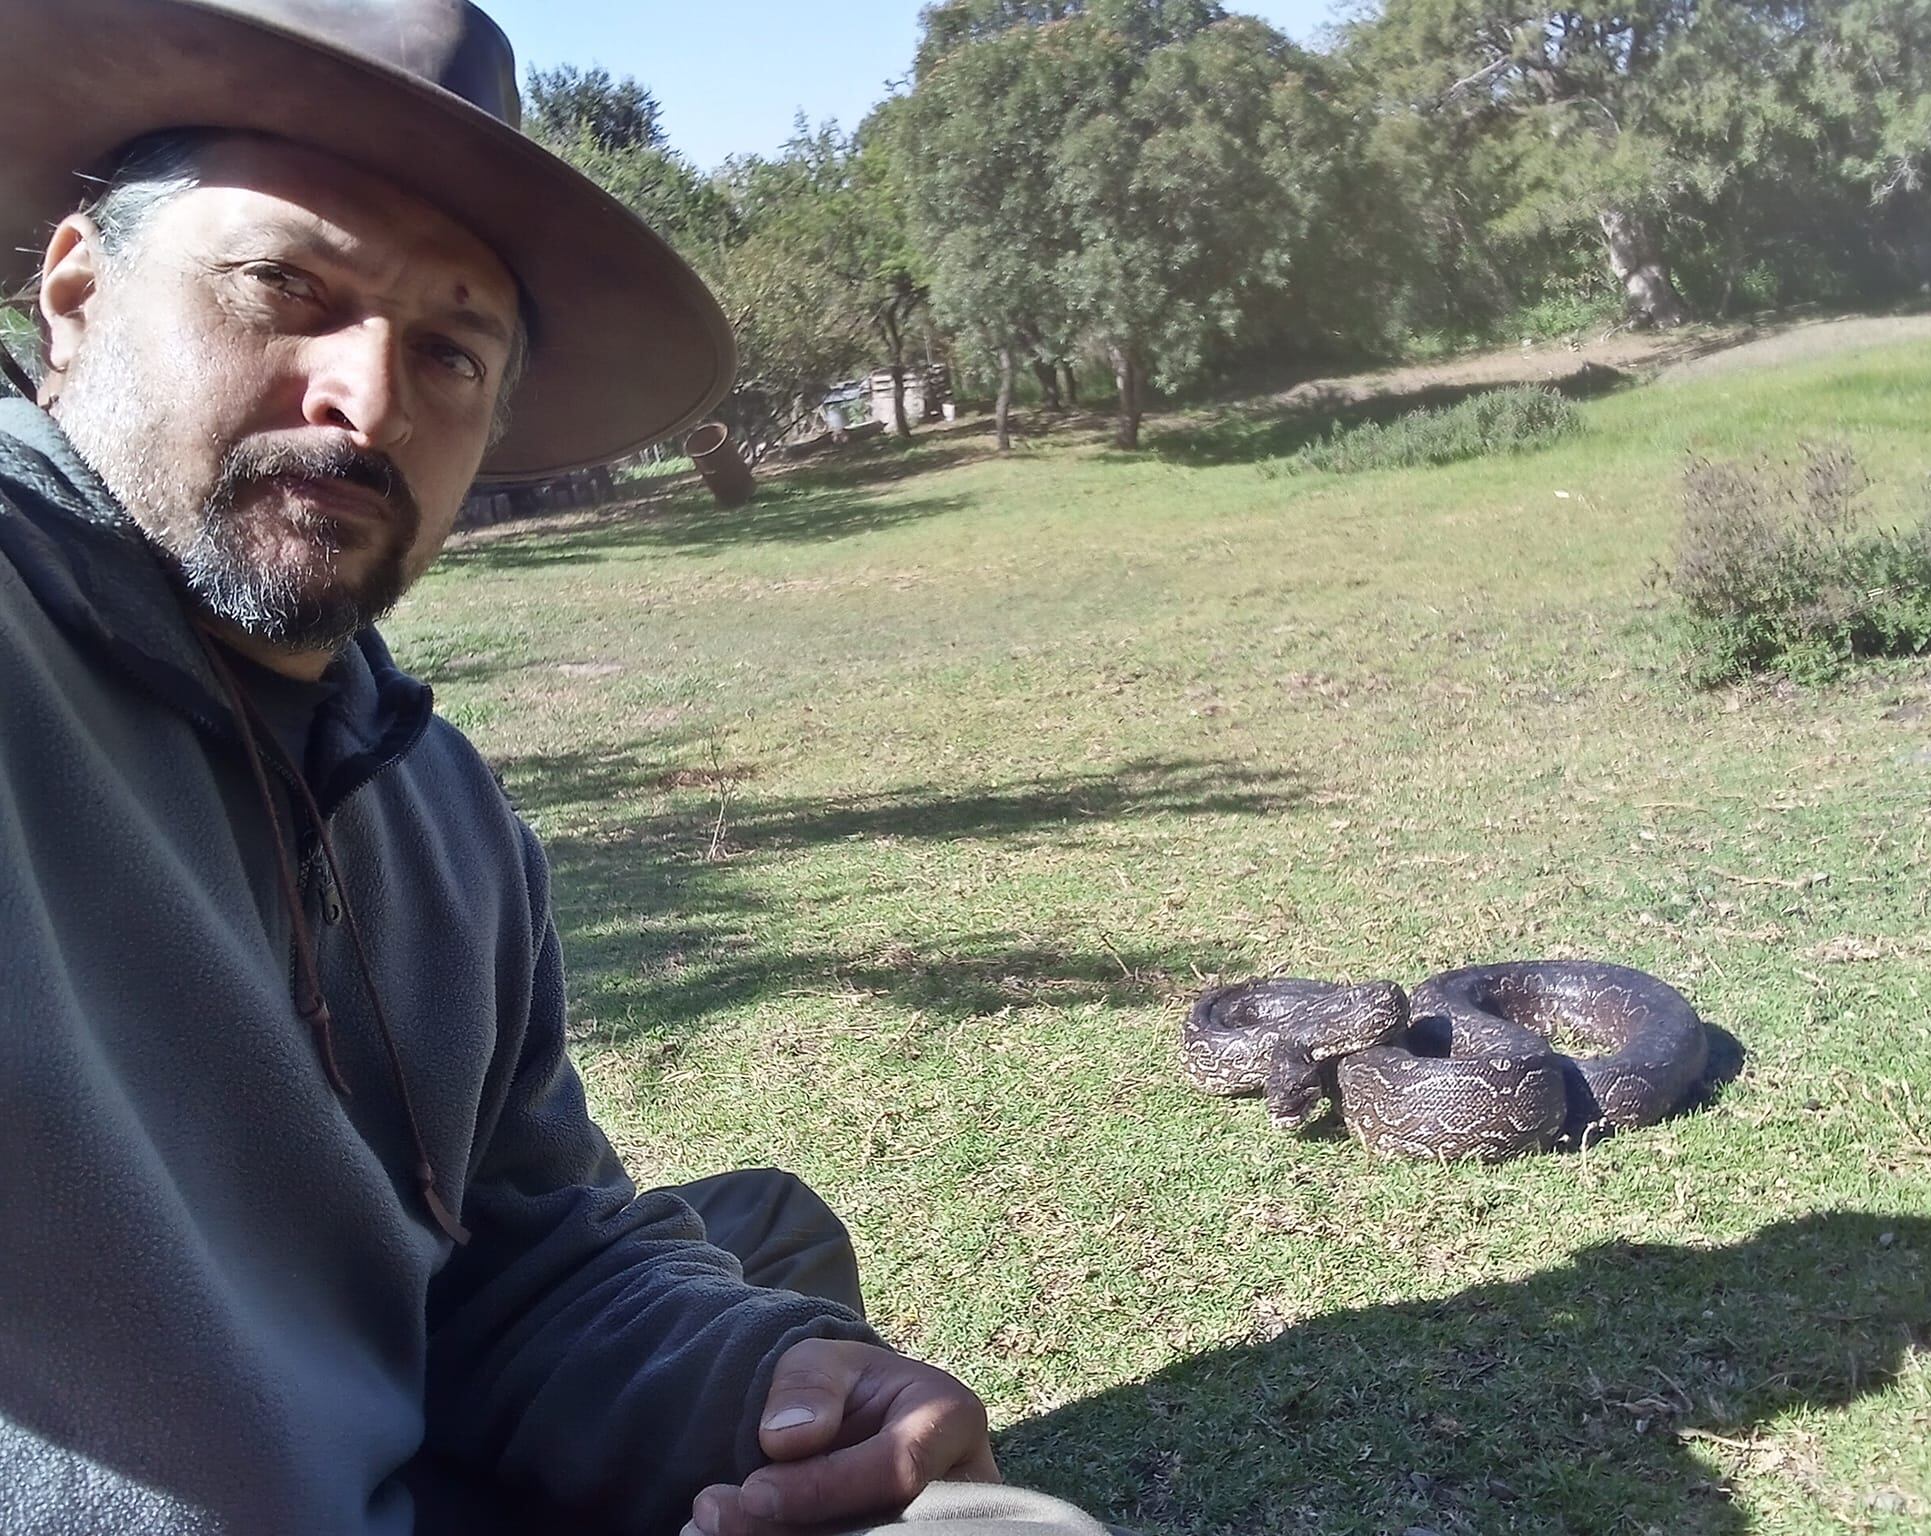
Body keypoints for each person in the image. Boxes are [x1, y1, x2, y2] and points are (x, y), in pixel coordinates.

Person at [0, 4, 1114, 1535]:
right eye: (285, 285)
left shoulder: (442, 815)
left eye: (449, 350)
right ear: (75, 291)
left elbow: (518, 1261)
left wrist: (769, 1383)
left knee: (796, 1285)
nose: (368, 400)